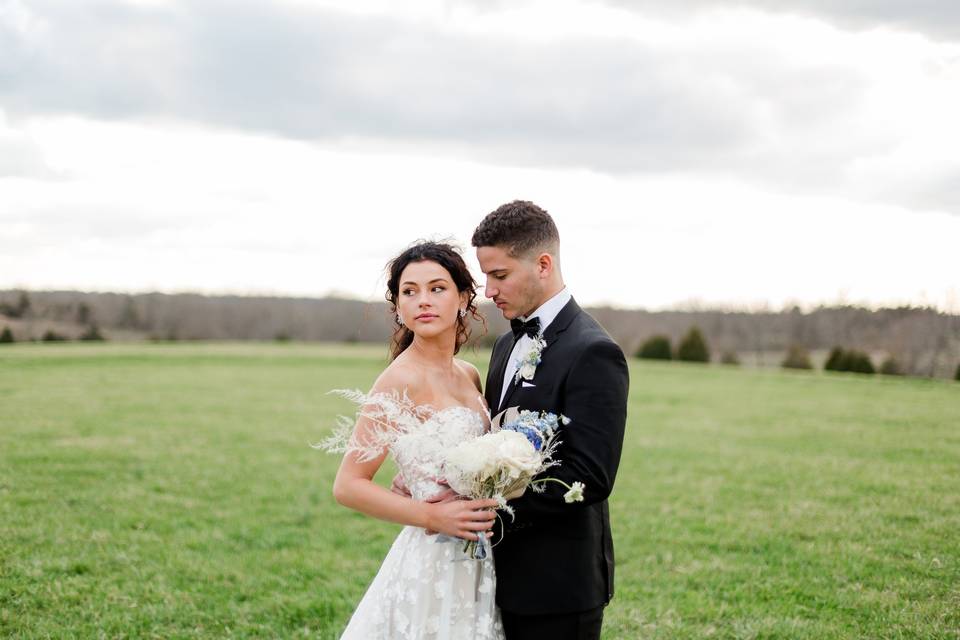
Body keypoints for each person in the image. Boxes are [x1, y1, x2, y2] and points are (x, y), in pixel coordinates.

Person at [329, 241, 504, 639]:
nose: (423, 301)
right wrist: (430, 515)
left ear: (463, 298)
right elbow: (348, 486)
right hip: (431, 560)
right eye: (409, 292)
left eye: (437, 288)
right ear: (399, 308)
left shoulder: (469, 374)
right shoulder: (398, 381)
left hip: (481, 557)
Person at [472, 200, 630, 640]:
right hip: (494, 576)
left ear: (543, 264)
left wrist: (488, 505)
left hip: (558, 586)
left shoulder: (594, 352)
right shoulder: (505, 345)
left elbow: (591, 475)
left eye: (499, 275)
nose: (488, 290)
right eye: (486, 276)